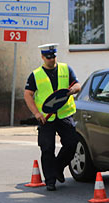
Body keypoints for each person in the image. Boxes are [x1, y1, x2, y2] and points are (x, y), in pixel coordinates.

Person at [23, 43, 81, 191]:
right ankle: (50, 180)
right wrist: (36, 113)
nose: (51, 59)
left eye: (53, 56)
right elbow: (28, 94)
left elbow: (77, 85)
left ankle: (58, 167)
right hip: (46, 117)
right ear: (43, 57)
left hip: (64, 114)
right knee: (47, 148)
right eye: (48, 57)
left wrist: (72, 90)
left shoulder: (65, 69)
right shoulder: (36, 75)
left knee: (72, 143)